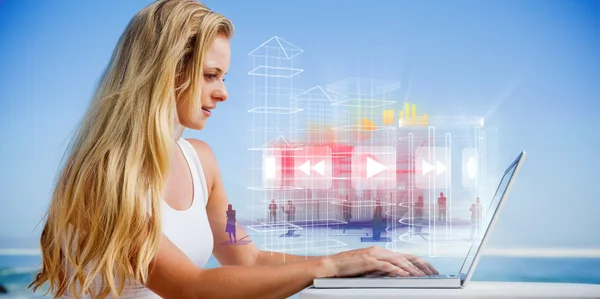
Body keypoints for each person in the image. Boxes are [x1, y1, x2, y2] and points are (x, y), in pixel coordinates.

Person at [29, 1, 437, 298]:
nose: (223, 93)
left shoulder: (201, 161)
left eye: (223, 76)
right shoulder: (104, 174)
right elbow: (189, 288)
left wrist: (358, 262)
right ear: (162, 73)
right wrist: (330, 266)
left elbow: (247, 259)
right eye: (210, 75)